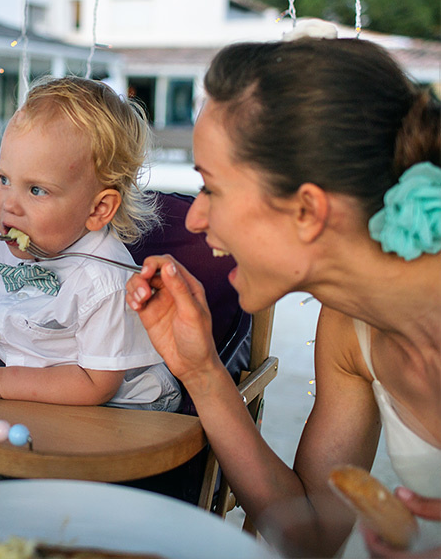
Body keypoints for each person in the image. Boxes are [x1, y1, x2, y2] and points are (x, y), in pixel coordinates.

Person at [126, 31, 440, 557]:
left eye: (212, 188)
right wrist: (201, 372)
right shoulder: (348, 327)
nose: (197, 218)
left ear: (307, 211)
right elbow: (313, 535)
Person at [0, 75, 180, 412]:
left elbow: (96, 385)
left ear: (98, 209)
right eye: (4, 179)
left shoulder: (102, 279)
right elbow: (18, 308)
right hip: (43, 395)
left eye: (36, 190)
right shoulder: (2, 252)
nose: (9, 204)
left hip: (120, 412)